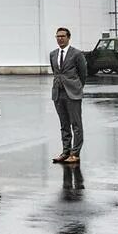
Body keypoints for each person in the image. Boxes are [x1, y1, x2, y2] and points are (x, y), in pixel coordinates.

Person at [50, 27, 87, 166]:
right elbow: (56, 72)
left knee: (76, 124)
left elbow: (83, 73)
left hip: (73, 93)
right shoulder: (53, 54)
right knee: (64, 124)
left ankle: (75, 153)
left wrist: (77, 87)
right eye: (57, 36)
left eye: (62, 36)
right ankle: (65, 151)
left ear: (68, 37)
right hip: (58, 93)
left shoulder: (77, 54)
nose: (60, 38)